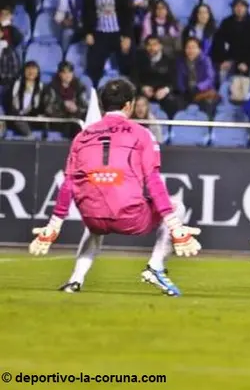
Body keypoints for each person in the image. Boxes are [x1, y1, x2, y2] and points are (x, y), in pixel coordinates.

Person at [28, 78, 202, 297]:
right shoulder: (142, 134)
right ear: (129, 105)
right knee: (177, 206)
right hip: (130, 218)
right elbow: (153, 180)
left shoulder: (81, 136)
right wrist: (175, 226)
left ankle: (75, 280)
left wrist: (54, 226)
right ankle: (155, 267)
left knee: (95, 223)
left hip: (92, 216)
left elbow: (68, 183)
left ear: (102, 106)